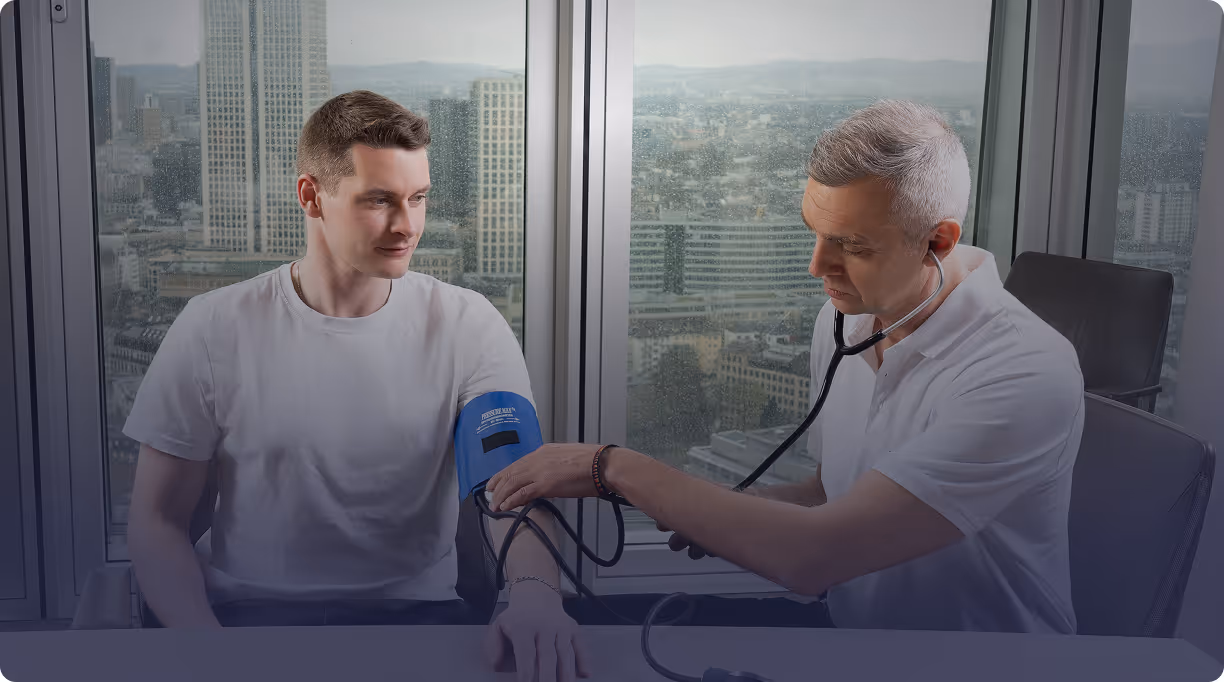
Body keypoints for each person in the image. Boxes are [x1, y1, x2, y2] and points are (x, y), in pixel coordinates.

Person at [488, 99, 1086, 634]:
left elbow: (818, 556)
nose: (817, 266)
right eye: (814, 233)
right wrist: (708, 512)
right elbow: (828, 493)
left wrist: (611, 467)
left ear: (938, 241)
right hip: (858, 644)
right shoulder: (848, 324)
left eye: (853, 245)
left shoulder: (1023, 371)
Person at [125, 90, 589, 682]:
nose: (407, 225)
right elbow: (158, 520)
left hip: (420, 618)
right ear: (311, 196)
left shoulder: (469, 324)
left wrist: (534, 597)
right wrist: (206, 647)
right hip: (247, 619)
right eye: (379, 200)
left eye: (418, 198)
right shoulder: (213, 327)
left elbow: (515, 488)